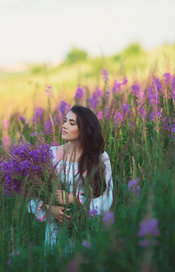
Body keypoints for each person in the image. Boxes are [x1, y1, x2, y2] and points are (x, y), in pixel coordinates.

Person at [27, 105, 113, 253]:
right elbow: (32, 195)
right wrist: (49, 209)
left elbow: (106, 198)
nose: (64, 126)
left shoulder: (100, 157)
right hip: (56, 231)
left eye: (71, 123)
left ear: (85, 129)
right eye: (65, 121)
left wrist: (73, 199)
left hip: (88, 229)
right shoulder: (50, 155)